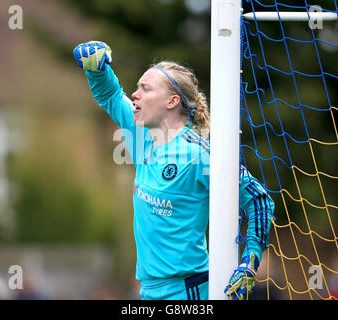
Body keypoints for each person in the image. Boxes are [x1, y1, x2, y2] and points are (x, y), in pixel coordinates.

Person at [73, 41, 275, 300]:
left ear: (172, 100)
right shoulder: (142, 136)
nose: (135, 94)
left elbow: (259, 200)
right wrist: (97, 69)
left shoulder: (199, 153)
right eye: (137, 88)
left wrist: (249, 263)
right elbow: (111, 95)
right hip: (148, 291)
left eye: (145, 89)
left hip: (189, 291)